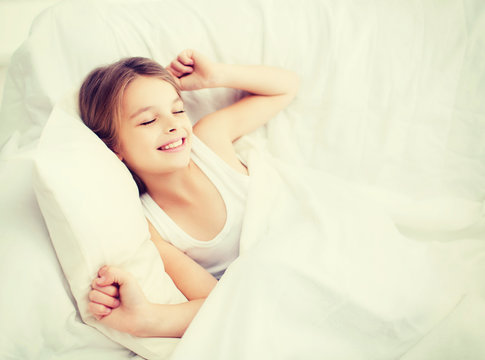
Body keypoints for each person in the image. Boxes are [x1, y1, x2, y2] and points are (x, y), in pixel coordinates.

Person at [79, 49, 299, 337]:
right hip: (278, 290)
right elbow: (222, 301)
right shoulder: (151, 225)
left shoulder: (209, 140)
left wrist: (217, 75)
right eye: (148, 121)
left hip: (308, 242)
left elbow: (286, 87)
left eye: (178, 110)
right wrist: (147, 317)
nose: (173, 124)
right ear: (112, 147)